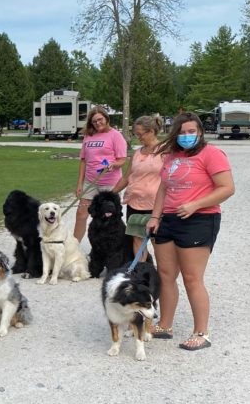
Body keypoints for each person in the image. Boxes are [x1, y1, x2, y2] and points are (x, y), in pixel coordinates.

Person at [145, 112, 235, 350]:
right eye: (182, 132)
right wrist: (155, 216)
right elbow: (163, 188)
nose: (187, 136)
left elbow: (227, 188)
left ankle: (201, 333)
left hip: (200, 219)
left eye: (191, 132)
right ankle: (165, 325)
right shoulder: (171, 156)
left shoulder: (212, 154)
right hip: (169, 219)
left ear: (200, 132)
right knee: (165, 275)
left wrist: (196, 204)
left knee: (192, 278)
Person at [113, 114, 165, 261]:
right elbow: (126, 178)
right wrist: (110, 194)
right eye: (136, 134)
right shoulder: (137, 153)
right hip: (134, 203)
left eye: (140, 134)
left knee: (156, 240)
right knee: (137, 239)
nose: (138, 137)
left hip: (155, 204)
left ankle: (163, 274)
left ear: (151, 132)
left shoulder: (165, 151)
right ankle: (142, 271)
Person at [74, 106, 127, 241]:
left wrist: (113, 164)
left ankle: (109, 245)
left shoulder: (116, 135)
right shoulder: (88, 136)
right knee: (81, 214)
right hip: (90, 182)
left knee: (108, 215)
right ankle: (73, 247)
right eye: (94, 121)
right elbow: (83, 161)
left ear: (106, 118)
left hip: (109, 183)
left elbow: (122, 160)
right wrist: (80, 183)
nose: (98, 123)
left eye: (100, 119)